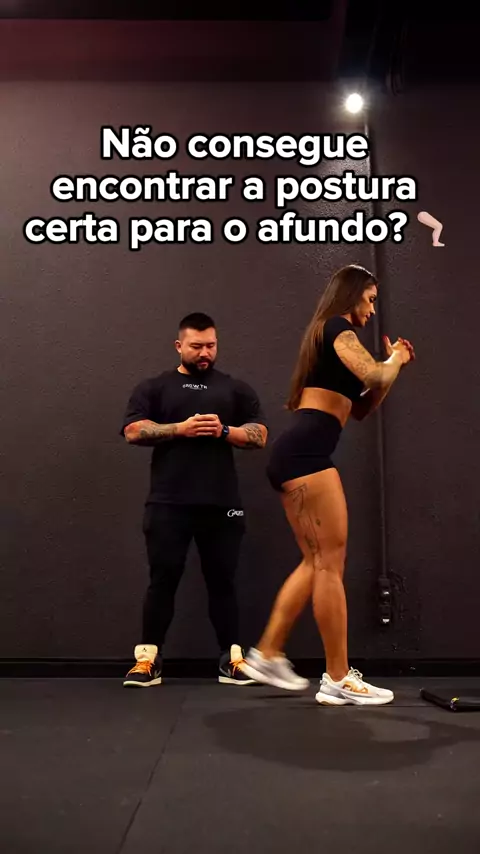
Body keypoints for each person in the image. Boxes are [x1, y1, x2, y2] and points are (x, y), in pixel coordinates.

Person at [242, 264, 415, 705]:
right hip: (306, 456)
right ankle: (337, 677)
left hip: (300, 455)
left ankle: (268, 652)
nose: (372, 309)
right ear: (352, 294)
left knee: (316, 562)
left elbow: (362, 406)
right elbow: (375, 374)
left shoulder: (330, 338)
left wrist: (393, 367)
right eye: (370, 299)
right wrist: (394, 358)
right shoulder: (338, 327)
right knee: (329, 564)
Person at [120, 312, 268, 688]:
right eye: (197, 346)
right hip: (168, 503)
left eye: (211, 346)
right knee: (163, 579)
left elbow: (260, 433)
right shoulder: (155, 387)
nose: (205, 353)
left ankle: (231, 660)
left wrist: (224, 431)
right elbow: (133, 431)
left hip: (221, 503)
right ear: (179, 346)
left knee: (223, 581)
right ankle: (147, 661)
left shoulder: (234, 389)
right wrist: (180, 429)